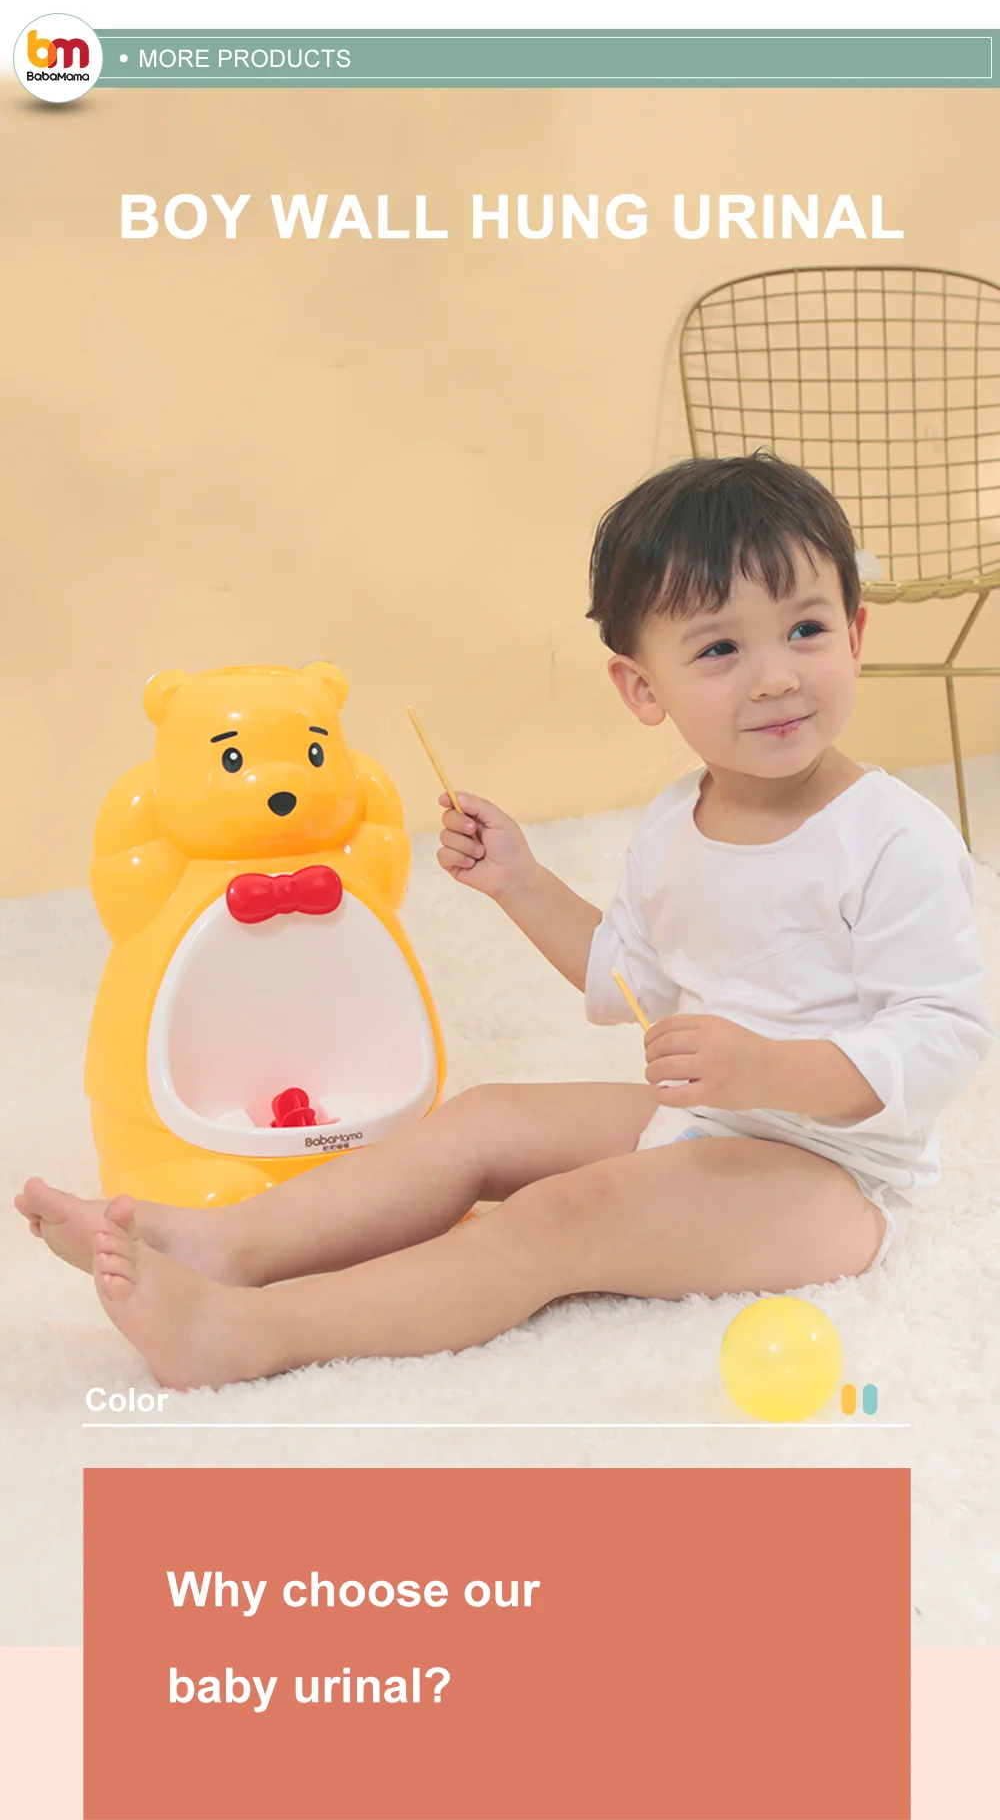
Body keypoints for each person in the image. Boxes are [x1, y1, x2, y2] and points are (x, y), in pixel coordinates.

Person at [17, 454, 994, 1389]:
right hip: (712, 1119)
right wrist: (520, 882)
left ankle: (248, 1333)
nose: (775, 675)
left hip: (836, 1174)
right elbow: (630, 977)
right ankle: (227, 1242)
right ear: (642, 688)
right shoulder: (676, 823)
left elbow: (942, 1035)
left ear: (855, 633)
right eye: (720, 648)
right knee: (485, 1117)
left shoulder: (891, 837)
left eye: (805, 630)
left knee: (557, 1217)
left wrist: (772, 1070)